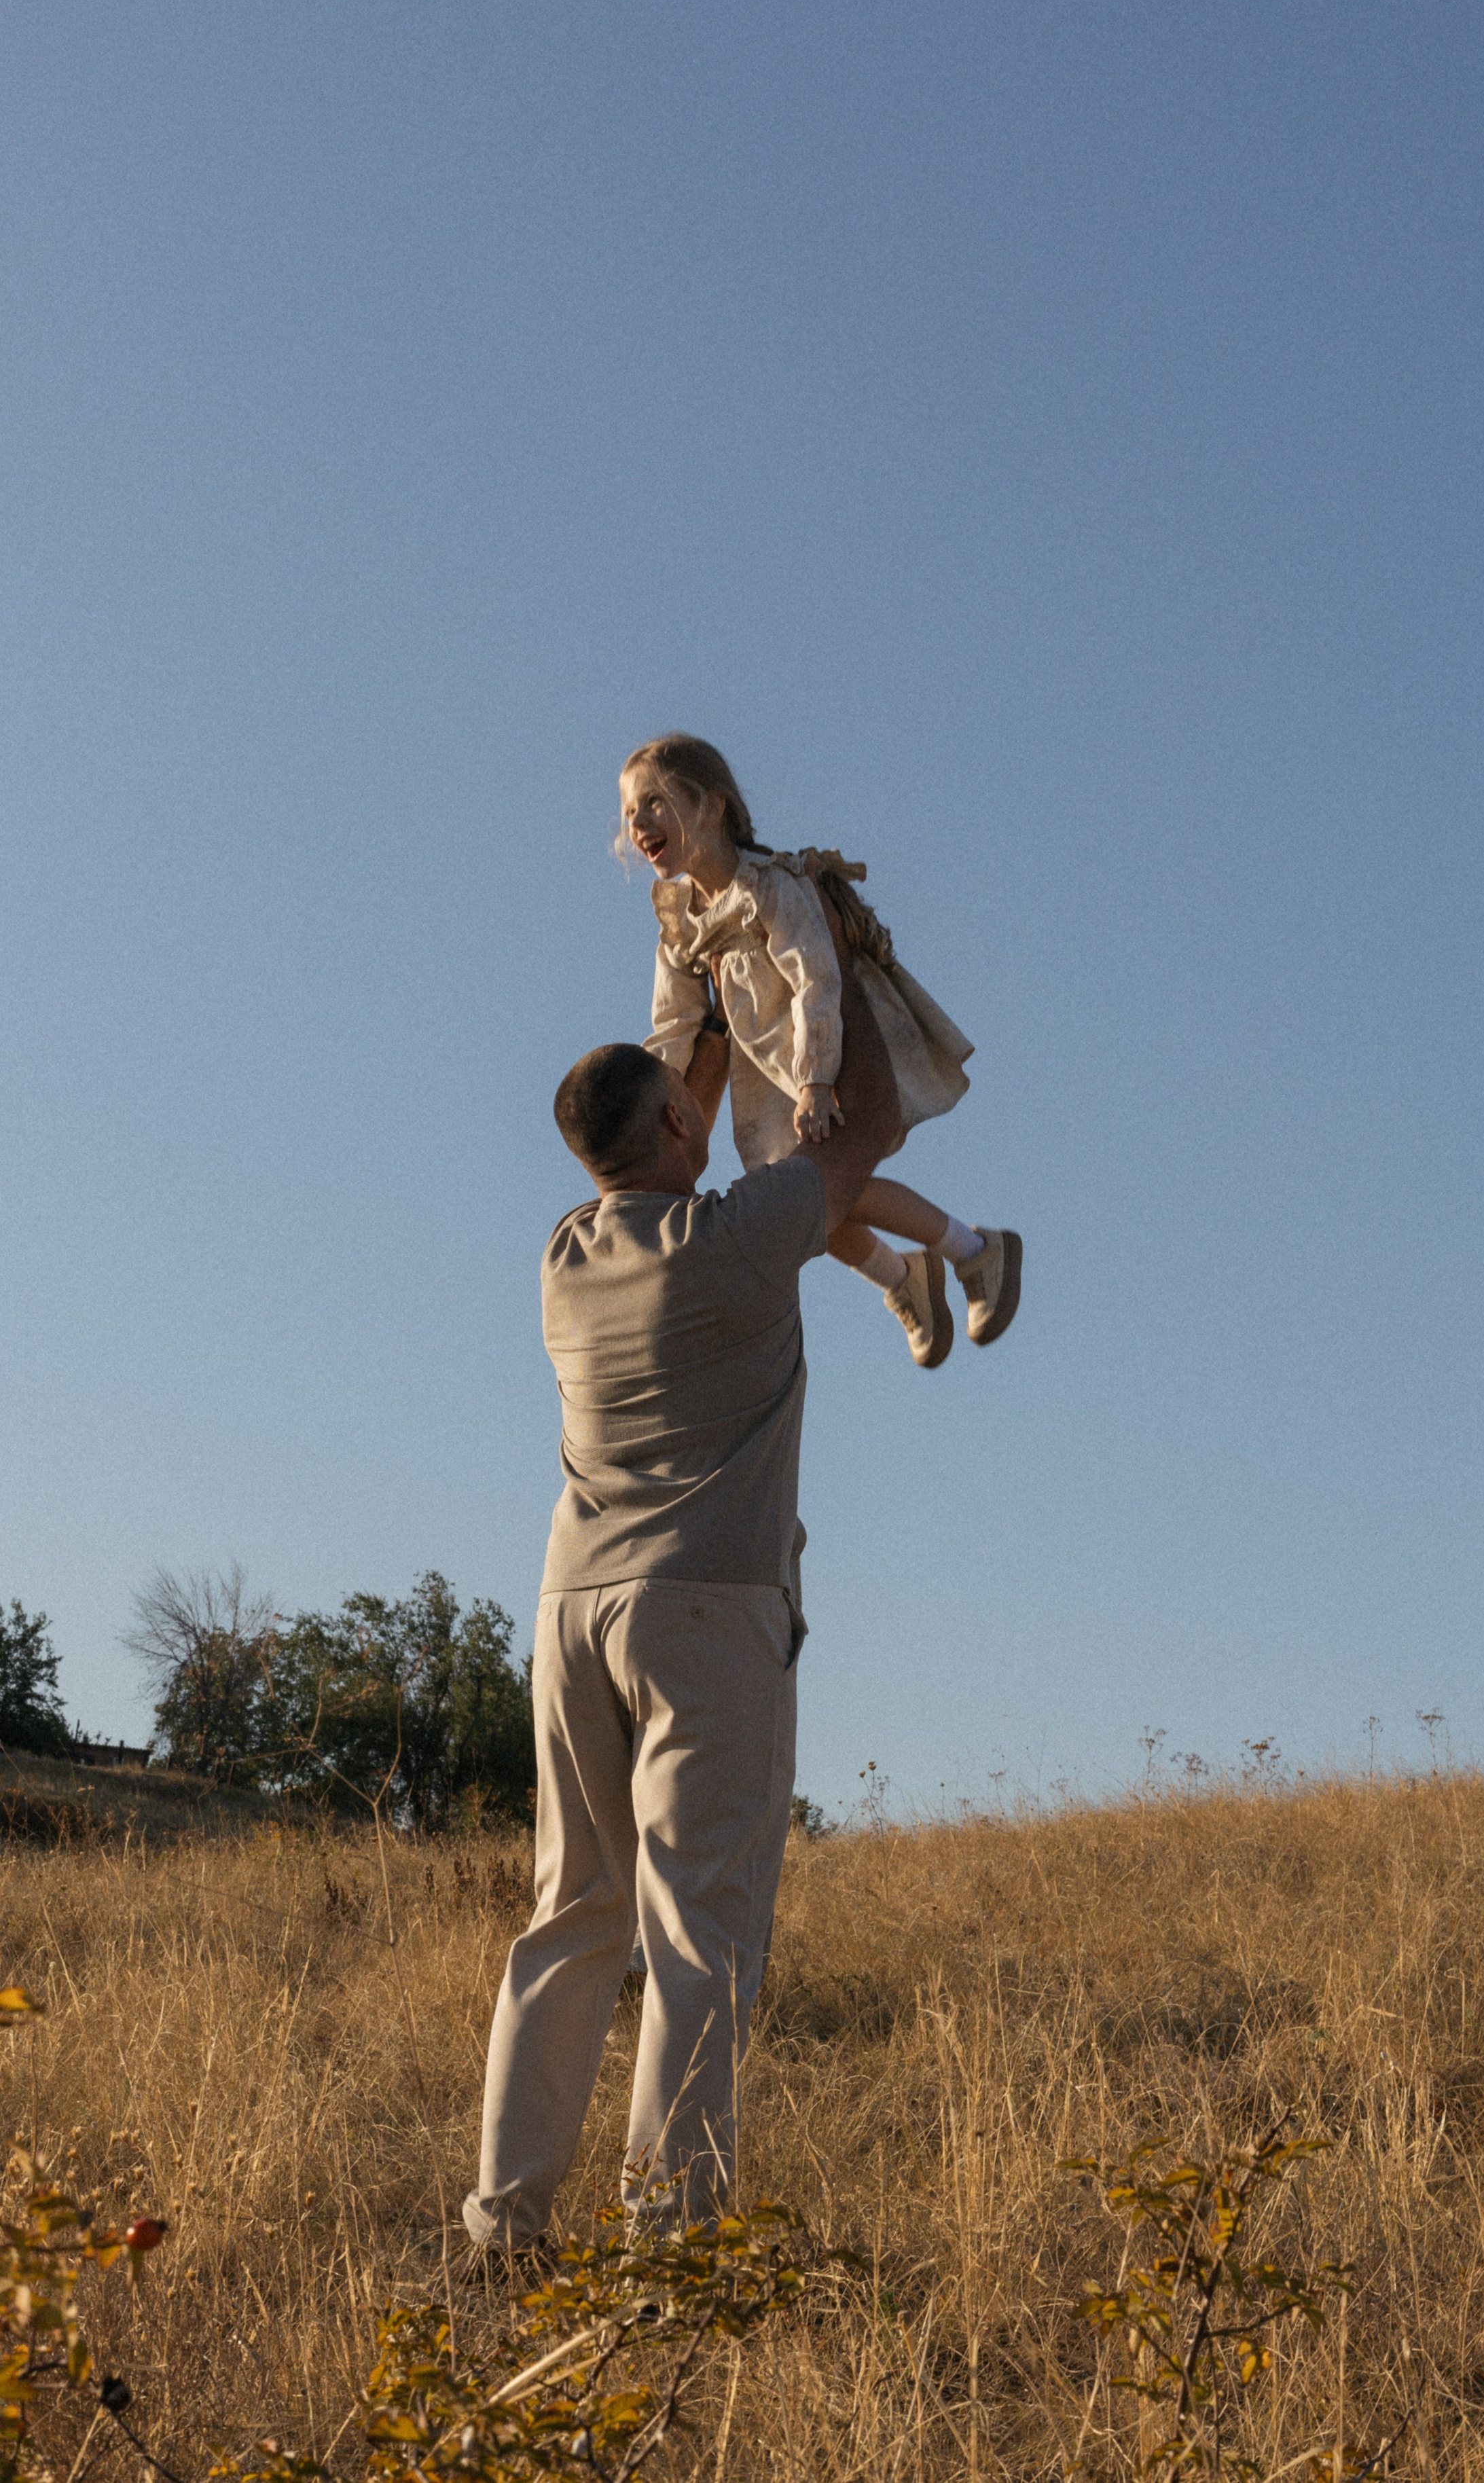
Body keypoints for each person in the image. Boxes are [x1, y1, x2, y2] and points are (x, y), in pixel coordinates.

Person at [462, 913, 902, 2260]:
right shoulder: (743, 1233)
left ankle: (506, 2223)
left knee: (571, 1915)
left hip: (569, 1610)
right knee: (699, 1925)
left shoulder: (563, 1252)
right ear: (667, 1129)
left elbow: (677, 1104)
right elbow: (864, 1128)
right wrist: (845, 962)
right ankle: (667, 2241)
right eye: (681, 1098)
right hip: (705, 1610)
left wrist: (705, 998)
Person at [619, 732, 1021, 1369]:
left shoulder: (770, 889)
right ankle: (904, 1277)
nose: (639, 823)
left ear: (712, 804)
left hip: (823, 1056)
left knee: (829, 1189)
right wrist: (652, 1113)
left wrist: (817, 1079)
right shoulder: (682, 926)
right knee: (801, 1210)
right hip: (767, 1081)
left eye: (655, 802)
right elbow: (672, 1025)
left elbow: (815, 978)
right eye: (629, 813)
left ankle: (973, 1249)